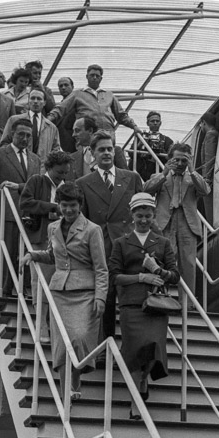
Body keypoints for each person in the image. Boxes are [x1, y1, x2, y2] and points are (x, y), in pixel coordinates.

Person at [21, 183, 108, 401]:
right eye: (64, 205)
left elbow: (101, 268)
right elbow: (53, 255)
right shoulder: (53, 228)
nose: (68, 210)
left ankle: (75, 382)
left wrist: (100, 297)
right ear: (58, 205)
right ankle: (64, 394)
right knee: (61, 345)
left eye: (73, 206)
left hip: (86, 293)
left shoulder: (92, 230)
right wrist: (33, 255)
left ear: (80, 206)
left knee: (79, 339)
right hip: (59, 291)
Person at [108, 192, 179, 418]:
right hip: (131, 305)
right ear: (132, 216)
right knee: (135, 349)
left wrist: (156, 270)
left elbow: (175, 276)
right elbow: (115, 276)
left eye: (148, 216)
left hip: (156, 307)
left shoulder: (163, 243)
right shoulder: (120, 243)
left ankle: (142, 378)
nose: (144, 220)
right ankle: (136, 396)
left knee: (153, 347)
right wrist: (141, 277)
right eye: (140, 216)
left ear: (153, 215)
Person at [75, 131, 143, 353]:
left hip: (129, 246)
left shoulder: (131, 178)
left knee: (131, 298)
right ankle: (106, 348)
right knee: (106, 298)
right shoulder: (83, 183)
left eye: (109, 148)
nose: (106, 153)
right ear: (92, 154)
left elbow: (142, 212)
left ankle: (132, 348)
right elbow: (82, 221)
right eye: (101, 149)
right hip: (101, 247)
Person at [0, 119, 41, 295]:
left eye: (28, 135)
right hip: (6, 212)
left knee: (26, 255)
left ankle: (25, 292)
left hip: (29, 215)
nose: (25, 138)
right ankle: (4, 293)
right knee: (7, 253)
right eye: (21, 134)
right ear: (12, 134)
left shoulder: (35, 159)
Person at [142, 142, 209, 294]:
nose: (179, 164)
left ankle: (188, 304)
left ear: (189, 161)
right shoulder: (160, 176)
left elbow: (205, 191)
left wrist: (192, 171)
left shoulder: (193, 178)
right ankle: (161, 297)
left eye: (184, 160)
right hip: (165, 223)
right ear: (170, 159)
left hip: (187, 224)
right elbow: (146, 189)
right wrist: (164, 172)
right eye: (176, 160)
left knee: (188, 264)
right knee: (163, 260)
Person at [48, 63, 136, 168]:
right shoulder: (78, 94)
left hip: (108, 137)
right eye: (92, 75)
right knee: (87, 167)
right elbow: (61, 108)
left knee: (110, 165)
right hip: (87, 139)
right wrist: (47, 120)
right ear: (87, 77)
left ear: (101, 78)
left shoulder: (109, 95)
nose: (94, 78)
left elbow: (121, 115)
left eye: (97, 76)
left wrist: (134, 126)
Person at [20, 150, 73, 304]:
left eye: (65, 172)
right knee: (40, 277)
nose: (62, 176)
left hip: (62, 237)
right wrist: (52, 207)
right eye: (59, 172)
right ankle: (40, 317)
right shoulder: (36, 181)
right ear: (49, 168)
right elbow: (25, 203)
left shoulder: (68, 186)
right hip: (41, 235)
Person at [0, 89, 61, 162]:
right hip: (18, 165)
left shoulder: (51, 127)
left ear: (44, 103)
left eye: (39, 99)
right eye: (32, 98)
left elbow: (56, 150)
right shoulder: (14, 120)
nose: (35, 101)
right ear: (28, 101)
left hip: (42, 168)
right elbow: (4, 144)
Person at [134, 110, 173, 181]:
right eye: (152, 121)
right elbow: (131, 154)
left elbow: (171, 159)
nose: (155, 123)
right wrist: (140, 145)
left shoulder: (167, 140)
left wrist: (161, 150)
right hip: (142, 171)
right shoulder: (140, 137)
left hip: (159, 172)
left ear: (160, 123)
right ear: (147, 123)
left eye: (157, 121)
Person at [68, 115, 98, 180]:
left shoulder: (114, 152)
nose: (73, 135)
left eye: (77, 130)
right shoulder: (72, 158)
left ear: (90, 130)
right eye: (73, 131)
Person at [56, 76, 76, 152]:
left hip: (75, 144)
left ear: (72, 87)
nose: (63, 88)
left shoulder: (78, 105)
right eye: (60, 86)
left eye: (66, 85)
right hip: (62, 145)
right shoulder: (58, 108)